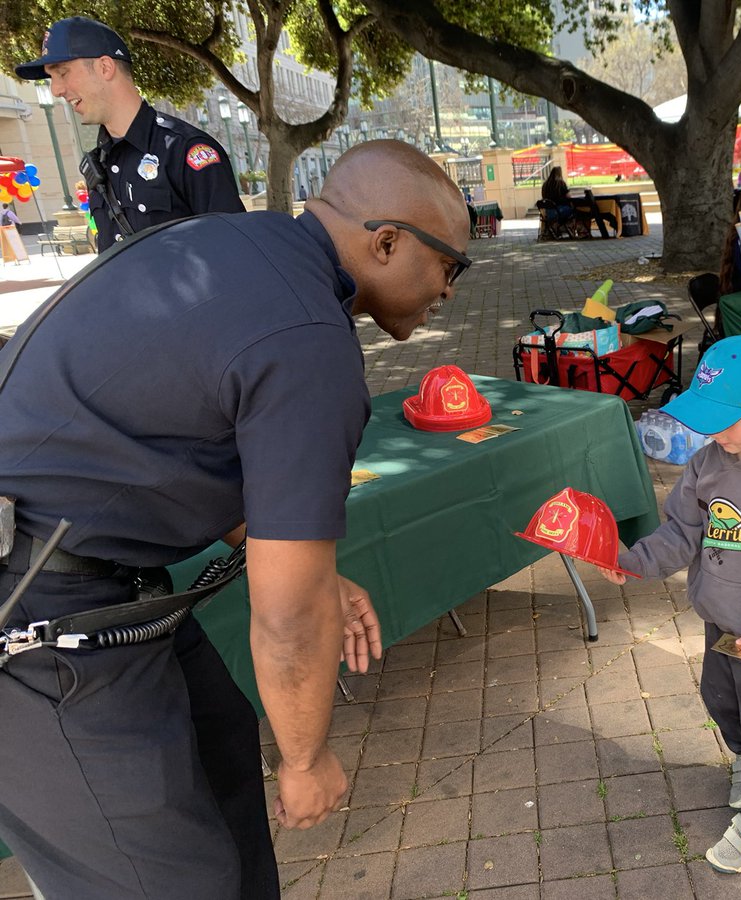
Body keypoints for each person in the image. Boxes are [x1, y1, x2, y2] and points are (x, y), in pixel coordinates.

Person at [0, 140, 471, 899]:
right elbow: (287, 618)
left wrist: (314, 572)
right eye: (452, 266)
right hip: (36, 606)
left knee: (220, 760)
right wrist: (307, 758)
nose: (449, 292)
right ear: (387, 243)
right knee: (173, 882)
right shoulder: (311, 341)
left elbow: (169, 440)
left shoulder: (226, 243)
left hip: (93, 567)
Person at [592, 334, 741, 875]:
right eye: (706, 415)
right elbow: (681, 531)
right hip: (720, 621)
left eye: (725, 416)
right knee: (720, 701)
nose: (711, 429)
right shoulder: (707, 462)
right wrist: (634, 562)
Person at [16, 16, 243, 251]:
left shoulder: (186, 151)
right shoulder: (99, 163)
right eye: (52, 78)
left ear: (105, 67)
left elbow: (236, 256)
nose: (56, 90)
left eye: (62, 73)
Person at [538, 164, 576, 238]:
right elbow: (568, 196)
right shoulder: (560, 183)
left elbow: (543, 197)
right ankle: (570, 229)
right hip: (559, 211)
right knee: (574, 210)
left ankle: (556, 230)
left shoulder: (545, 184)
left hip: (547, 213)